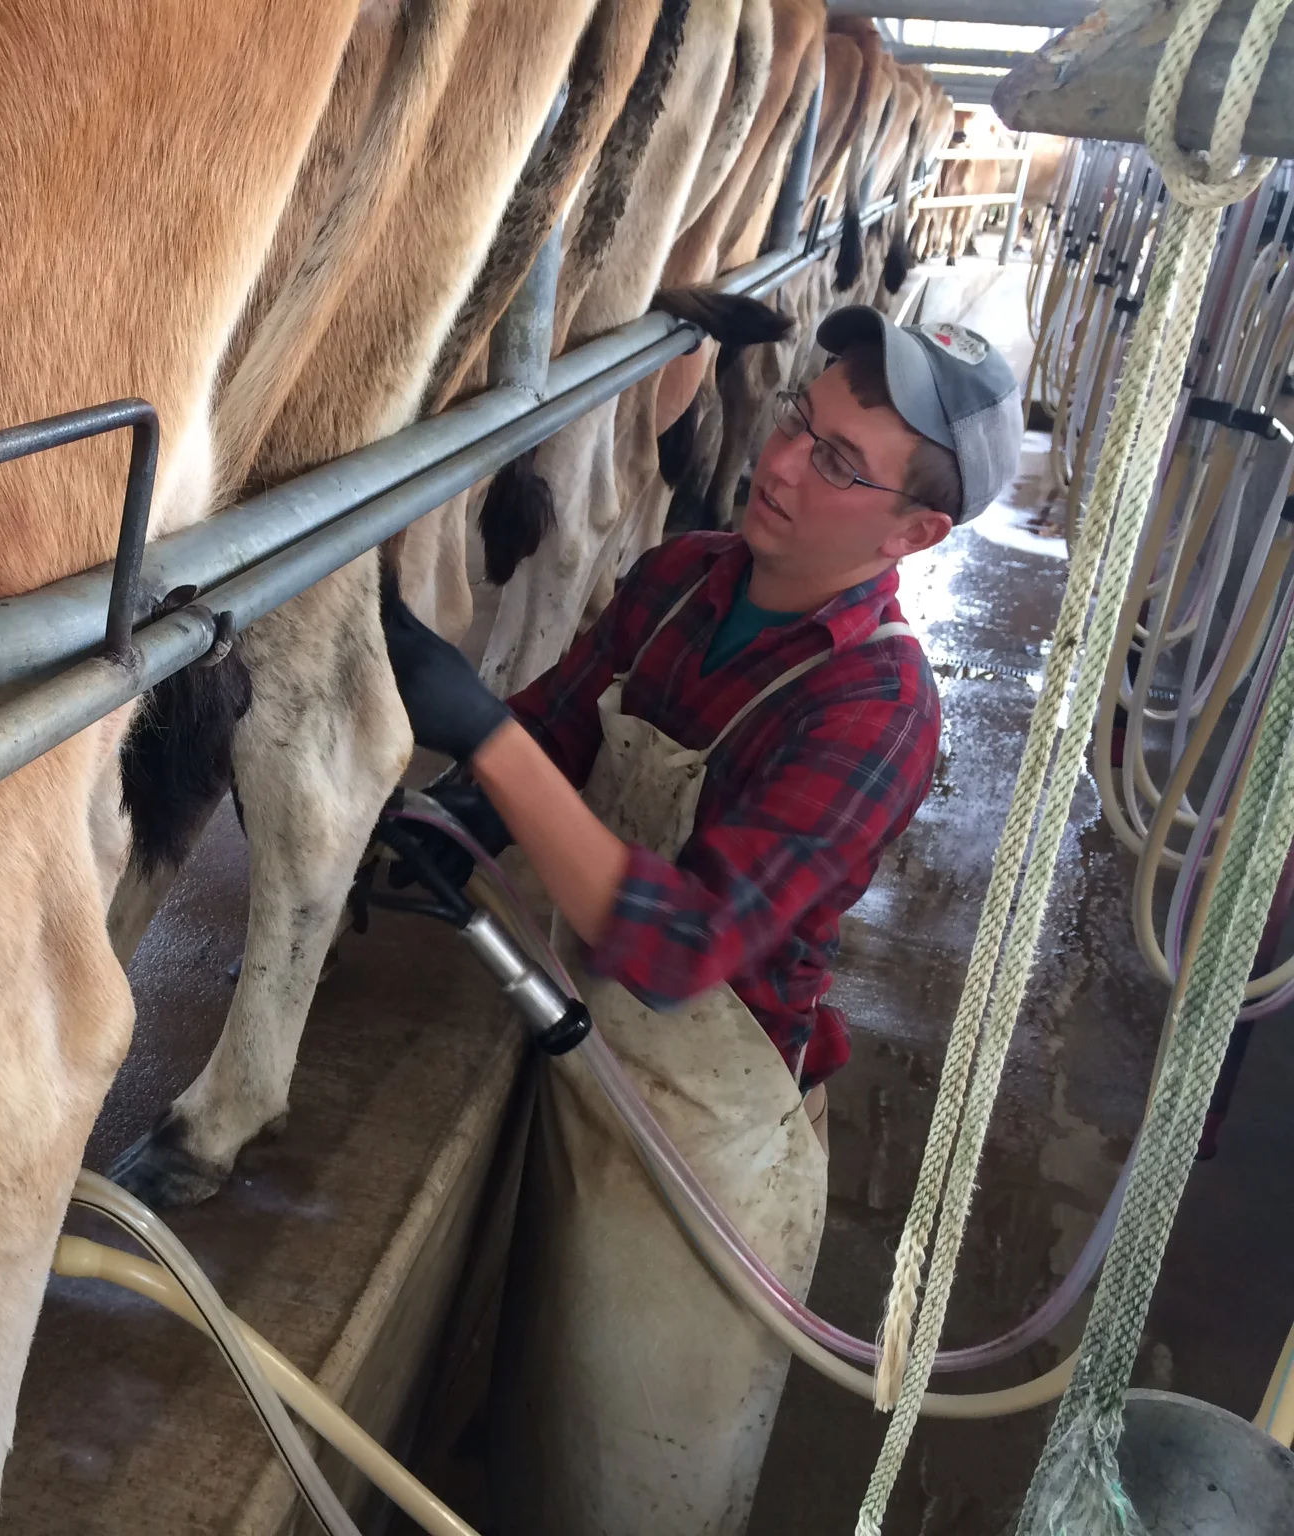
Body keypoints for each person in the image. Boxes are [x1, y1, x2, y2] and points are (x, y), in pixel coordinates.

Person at [380, 305, 1025, 1536]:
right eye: (796, 419)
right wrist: (452, 806)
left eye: (837, 462)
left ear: (914, 532)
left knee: (628, 1482)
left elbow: (679, 946)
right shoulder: (681, 577)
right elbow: (562, 726)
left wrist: (483, 737)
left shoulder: (878, 707)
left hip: (706, 1146)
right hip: (581, 1060)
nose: (778, 463)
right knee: (524, 1415)